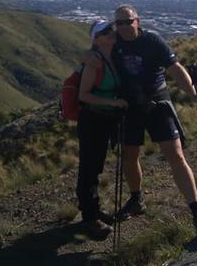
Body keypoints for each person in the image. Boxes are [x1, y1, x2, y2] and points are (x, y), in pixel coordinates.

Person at [110, 4, 197, 236]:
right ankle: (137, 199)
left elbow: (175, 68)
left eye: (127, 21)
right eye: (118, 23)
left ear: (137, 21)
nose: (123, 26)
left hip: (157, 103)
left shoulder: (152, 41)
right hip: (129, 107)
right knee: (129, 156)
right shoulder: (113, 44)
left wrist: (193, 94)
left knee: (176, 154)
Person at [76, 19, 129, 240]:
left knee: (95, 166)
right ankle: (90, 218)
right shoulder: (94, 62)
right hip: (92, 119)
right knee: (89, 168)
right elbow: (83, 95)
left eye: (112, 29)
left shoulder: (114, 54)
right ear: (97, 39)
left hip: (106, 119)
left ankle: (94, 211)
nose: (112, 33)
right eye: (107, 31)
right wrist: (112, 103)